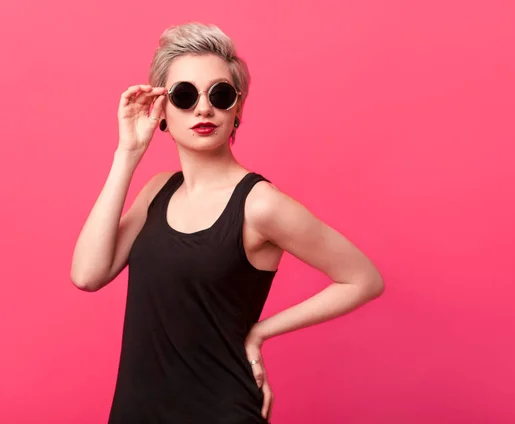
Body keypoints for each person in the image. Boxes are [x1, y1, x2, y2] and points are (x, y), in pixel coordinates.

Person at [70, 22, 384, 424]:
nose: (204, 109)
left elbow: (364, 279)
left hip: (220, 410)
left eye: (220, 94)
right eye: (184, 95)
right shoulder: (156, 190)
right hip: (137, 411)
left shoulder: (260, 205)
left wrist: (260, 331)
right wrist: (128, 152)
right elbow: (87, 274)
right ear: (160, 109)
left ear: (238, 108)